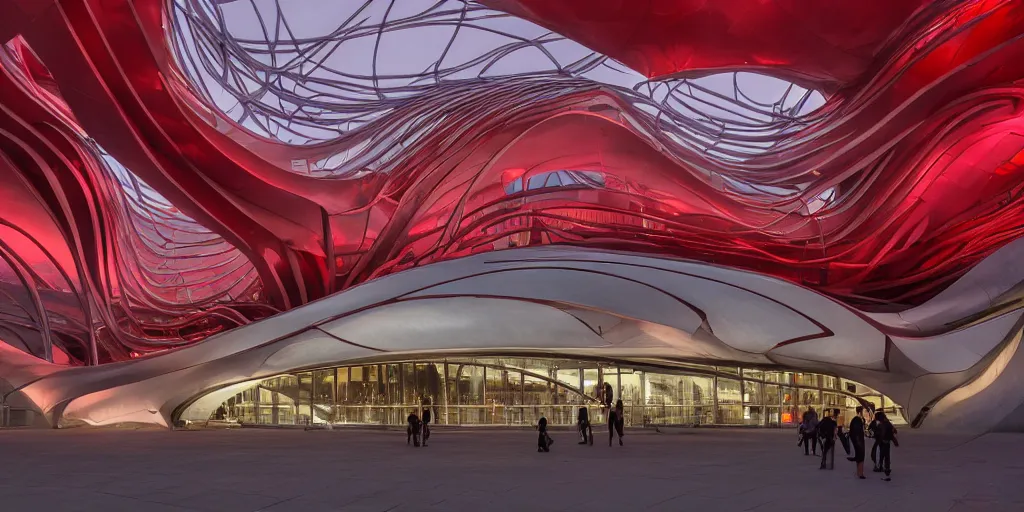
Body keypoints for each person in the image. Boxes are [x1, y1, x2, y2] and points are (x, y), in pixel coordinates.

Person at [875, 411, 898, 481]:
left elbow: (882, 433)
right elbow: (894, 431)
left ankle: (882, 468)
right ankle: (885, 468)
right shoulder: (887, 423)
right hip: (887, 441)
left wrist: (880, 438)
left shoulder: (882, 424)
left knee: (882, 454)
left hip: (883, 441)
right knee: (886, 455)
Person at [847, 406, 867, 479]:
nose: (865, 413)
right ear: (860, 412)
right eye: (864, 411)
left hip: (858, 440)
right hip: (859, 441)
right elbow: (857, 432)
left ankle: (859, 472)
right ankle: (860, 473)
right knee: (861, 456)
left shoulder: (858, 420)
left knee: (859, 457)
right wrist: (858, 441)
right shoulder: (857, 420)